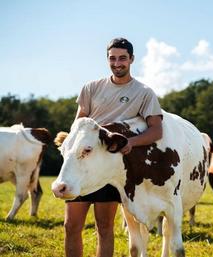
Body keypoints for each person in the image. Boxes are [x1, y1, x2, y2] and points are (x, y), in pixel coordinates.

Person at [64, 37, 163, 257]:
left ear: (132, 59)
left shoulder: (144, 92)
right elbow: (78, 123)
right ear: (107, 59)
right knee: (71, 226)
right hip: (81, 163)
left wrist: (131, 142)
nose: (117, 63)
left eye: (122, 58)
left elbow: (156, 130)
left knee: (105, 228)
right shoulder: (91, 88)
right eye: (112, 58)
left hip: (110, 166)